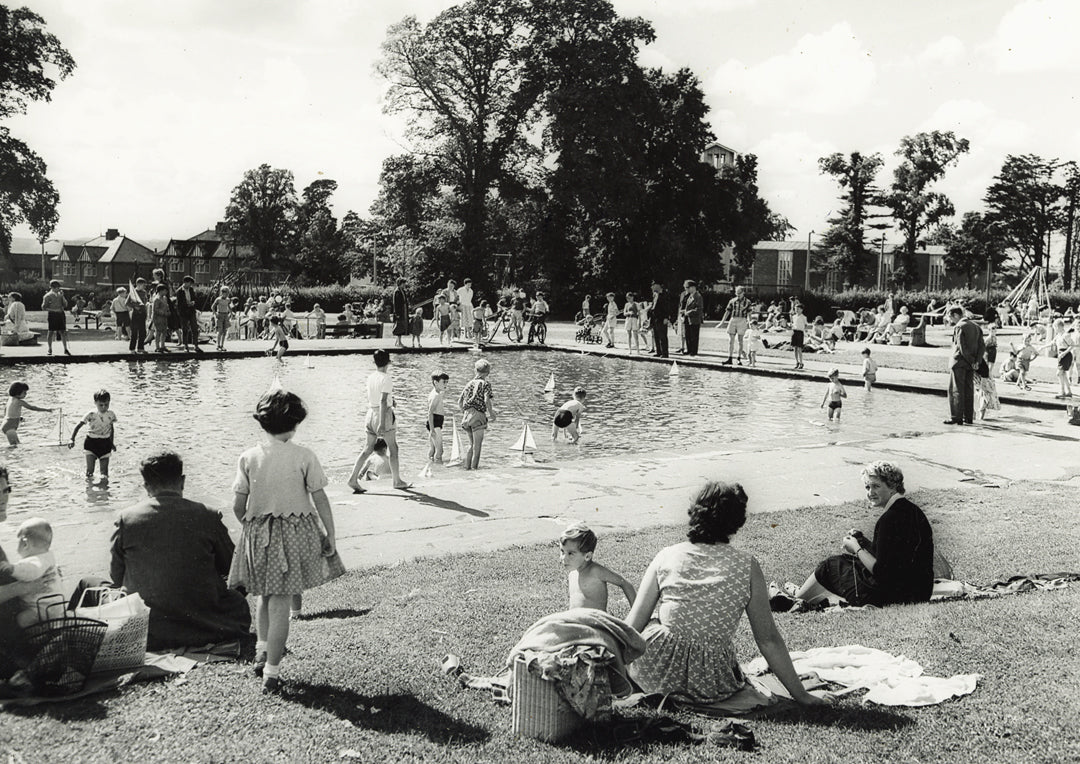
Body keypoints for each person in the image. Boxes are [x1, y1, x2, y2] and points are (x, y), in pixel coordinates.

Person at [626, 481, 826, 706]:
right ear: (736, 522)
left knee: (655, 623)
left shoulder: (667, 556)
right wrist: (802, 695)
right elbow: (768, 639)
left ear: (694, 513)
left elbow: (632, 626)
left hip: (654, 674)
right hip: (710, 683)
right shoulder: (747, 566)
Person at [228, 389, 345, 692]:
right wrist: (330, 534)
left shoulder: (249, 457)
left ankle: (261, 650)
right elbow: (319, 498)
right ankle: (272, 671)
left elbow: (238, 506)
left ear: (262, 423)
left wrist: (250, 526)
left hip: (257, 534)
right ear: (295, 424)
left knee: (264, 597)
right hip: (293, 535)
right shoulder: (304, 455)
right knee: (280, 602)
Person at [95, 452, 252, 650]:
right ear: (183, 481)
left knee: (91, 585)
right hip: (209, 624)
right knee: (236, 599)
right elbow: (231, 568)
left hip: (148, 630)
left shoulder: (127, 518)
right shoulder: (208, 515)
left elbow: (116, 577)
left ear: (145, 486)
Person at [793, 462, 933, 607]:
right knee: (847, 561)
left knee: (831, 565)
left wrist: (856, 549)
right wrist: (863, 542)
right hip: (919, 592)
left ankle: (796, 600)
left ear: (892, 486)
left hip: (895, 597)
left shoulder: (889, 519)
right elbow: (891, 560)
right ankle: (803, 595)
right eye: (867, 487)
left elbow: (881, 571)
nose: (870, 492)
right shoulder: (912, 510)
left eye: (876, 486)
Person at [348, 349, 409, 492]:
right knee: (393, 448)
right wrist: (382, 422)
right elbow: (382, 400)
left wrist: (391, 400)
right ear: (388, 362)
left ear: (374, 362)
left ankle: (353, 478)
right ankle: (397, 480)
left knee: (367, 449)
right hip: (384, 414)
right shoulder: (386, 378)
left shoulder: (371, 377)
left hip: (370, 413)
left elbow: (376, 397)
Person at [0, 518, 63, 627]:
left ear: (25, 544)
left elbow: (29, 571)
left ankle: (37, 640)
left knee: (22, 620)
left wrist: (12, 569)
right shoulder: (46, 557)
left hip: (41, 606)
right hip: (53, 605)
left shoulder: (34, 561)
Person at [560, 522, 636, 612]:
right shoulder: (572, 574)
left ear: (587, 556)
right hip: (577, 623)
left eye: (570, 553)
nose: (563, 558)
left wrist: (637, 613)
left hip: (596, 623)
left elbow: (624, 583)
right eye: (562, 551)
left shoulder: (596, 572)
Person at [946, 306, 984, 425]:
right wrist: (976, 361)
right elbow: (982, 346)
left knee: (956, 390)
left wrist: (971, 360)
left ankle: (956, 417)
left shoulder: (959, 326)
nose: (951, 320)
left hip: (959, 362)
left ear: (956, 315)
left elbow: (961, 347)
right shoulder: (977, 327)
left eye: (951, 317)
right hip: (971, 365)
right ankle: (968, 417)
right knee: (969, 390)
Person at [68, 389, 117, 481]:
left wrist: (112, 443)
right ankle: (90, 492)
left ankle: (104, 493)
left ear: (109, 402)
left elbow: (111, 429)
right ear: (95, 403)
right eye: (100, 405)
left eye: (106, 404)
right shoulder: (91, 414)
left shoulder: (111, 415)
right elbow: (78, 426)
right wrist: (72, 439)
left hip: (105, 443)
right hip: (91, 443)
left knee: (104, 474)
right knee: (90, 472)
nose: (103, 407)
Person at [458, 358, 495, 470]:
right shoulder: (486, 384)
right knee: (477, 446)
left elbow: (459, 401)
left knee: (471, 444)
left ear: (475, 370)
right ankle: (474, 470)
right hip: (478, 415)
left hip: (467, 415)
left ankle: (467, 468)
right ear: (488, 373)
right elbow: (486, 400)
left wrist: (465, 412)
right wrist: (492, 413)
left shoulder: (469, 384)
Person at [721, 285, 752, 365]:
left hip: (742, 320)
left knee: (740, 341)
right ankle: (730, 358)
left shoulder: (747, 302)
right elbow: (727, 312)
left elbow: (749, 314)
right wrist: (722, 321)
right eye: (736, 293)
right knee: (731, 341)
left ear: (743, 293)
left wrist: (750, 322)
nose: (738, 295)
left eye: (739, 293)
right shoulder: (732, 301)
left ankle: (738, 358)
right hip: (733, 319)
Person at [41, 280, 71, 356]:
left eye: (58, 288)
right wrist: (54, 310)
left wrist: (63, 296)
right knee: (51, 331)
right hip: (52, 315)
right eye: (56, 288)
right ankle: (50, 348)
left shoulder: (60, 295)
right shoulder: (47, 296)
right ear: (52, 288)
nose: (58, 289)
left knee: (63, 332)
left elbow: (65, 305)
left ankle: (65, 349)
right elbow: (43, 307)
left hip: (61, 314)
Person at [175, 276, 203, 354]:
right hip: (184, 312)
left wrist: (193, 302)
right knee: (185, 329)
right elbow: (179, 303)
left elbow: (194, 298)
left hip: (191, 311)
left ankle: (196, 345)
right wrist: (187, 304)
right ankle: (185, 345)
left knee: (195, 328)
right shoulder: (179, 291)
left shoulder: (191, 290)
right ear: (185, 282)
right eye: (189, 283)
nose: (190, 285)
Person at [678, 280, 704, 356]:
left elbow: (699, 309)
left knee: (694, 336)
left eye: (687, 287)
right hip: (688, 319)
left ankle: (694, 351)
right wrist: (683, 311)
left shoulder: (698, 296)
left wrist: (687, 312)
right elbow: (688, 307)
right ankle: (689, 350)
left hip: (694, 320)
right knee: (688, 335)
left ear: (693, 287)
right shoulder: (690, 296)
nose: (686, 289)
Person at [427, 372, 448, 463]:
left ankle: (429, 465)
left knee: (433, 449)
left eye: (447, 382)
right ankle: (439, 470)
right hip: (435, 424)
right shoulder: (435, 395)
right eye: (444, 382)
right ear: (435, 382)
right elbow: (430, 413)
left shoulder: (437, 393)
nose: (446, 384)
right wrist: (432, 429)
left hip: (434, 423)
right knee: (440, 451)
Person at [649, 280, 674, 358]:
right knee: (656, 336)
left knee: (662, 336)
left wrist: (666, 317)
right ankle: (659, 351)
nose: (652, 287)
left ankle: (665, 353)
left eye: (653, 285)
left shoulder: (664, 295)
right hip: (655, 318)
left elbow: (667, 308)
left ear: (658, 285)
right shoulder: (655, 295)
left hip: (661, 318)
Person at [128, 278, 149, 353]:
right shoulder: (133, 292)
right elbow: (127, 303)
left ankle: (141, 348)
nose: (144, 286)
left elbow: (145, 301)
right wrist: (134, 306)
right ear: (138, 284)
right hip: (135, 314)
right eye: (143, 285)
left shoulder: (144, 292)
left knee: (142, 331)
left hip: (142, 313)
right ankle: (132, 349)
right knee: (134, 332)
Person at [211, 286, 232, 351]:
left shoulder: (228, 300)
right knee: (219, 331)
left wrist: (231, 313)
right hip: (219, 314)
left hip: (225, 315)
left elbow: (229, 307)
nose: (225, 294)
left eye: (227, 292)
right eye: (224, 292)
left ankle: (222, 345)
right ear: (221, 292)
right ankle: (218, 345)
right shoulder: (218, 299)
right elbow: (213, 307)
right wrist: (215, 314)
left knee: (224, 331)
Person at [151, 284, 171, 352]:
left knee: (164, 332)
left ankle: (163, 345)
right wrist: (163, 313)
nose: (166, 292)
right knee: (158, 332)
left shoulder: (165, 298)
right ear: (160, 291)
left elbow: (167, 306)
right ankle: (157, 347)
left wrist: (168, 311)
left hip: (164, 318)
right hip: (158, 318)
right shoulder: (156, 299)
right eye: (165, 291)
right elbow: (155, 309)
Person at [392, 277, 409, 348]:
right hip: (399, 312)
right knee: (399, 327)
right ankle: (399, 342)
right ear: (400, 283)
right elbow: (396, 304)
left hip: (404, 311)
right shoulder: (397, 292)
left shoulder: (402, 291)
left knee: (402, 326)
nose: (404, 284)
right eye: (403, 283)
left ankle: (398, 342)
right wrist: (397, 314)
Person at [791, 302, 807, 370]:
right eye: (795, 309)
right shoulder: (794, 317)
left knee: (799, 348)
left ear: (801, 310)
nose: (796, 310)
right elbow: (793, 324)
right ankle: (796, 362)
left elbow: (805, 325)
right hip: (794, 332)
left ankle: (801, 362)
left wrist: (804, 330)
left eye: (798, 309)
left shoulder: (803, 317)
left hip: (800, 333)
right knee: (795, 348)